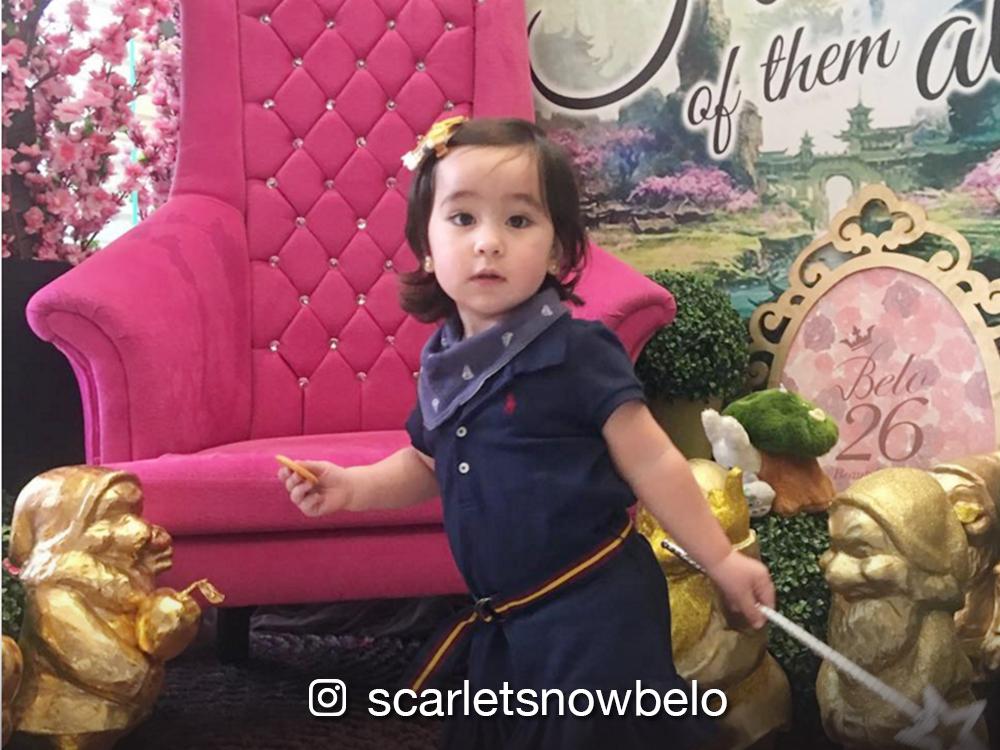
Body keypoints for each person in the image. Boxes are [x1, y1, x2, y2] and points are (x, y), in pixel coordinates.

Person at [279, 116, 775, 749]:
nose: (488, 242)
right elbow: (428, 464)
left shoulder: (578, 353)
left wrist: (721, 559)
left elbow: (653, 462)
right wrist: (351, 488)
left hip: (595, 609)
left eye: (518, 220)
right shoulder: (447, 365)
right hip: (508, 616)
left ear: (559, 250)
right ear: (426, 246)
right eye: (463, 218)